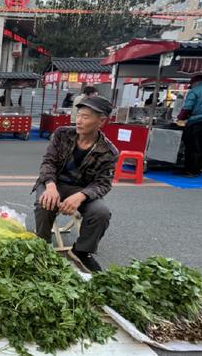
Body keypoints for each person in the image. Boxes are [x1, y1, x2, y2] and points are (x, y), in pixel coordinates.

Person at [33, 96, 118, 272]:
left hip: (82, 190)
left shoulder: (109, 151)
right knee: (45, 201)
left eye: (85, 117)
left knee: (101, 212)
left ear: (101, 121)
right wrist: (50, 186)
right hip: (54, 182)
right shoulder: (62, 134)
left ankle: (81, 251)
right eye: (78, 115)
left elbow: (103, 184)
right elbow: (48, 162)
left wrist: (80, 196)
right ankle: (41, 247)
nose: (78, 121)